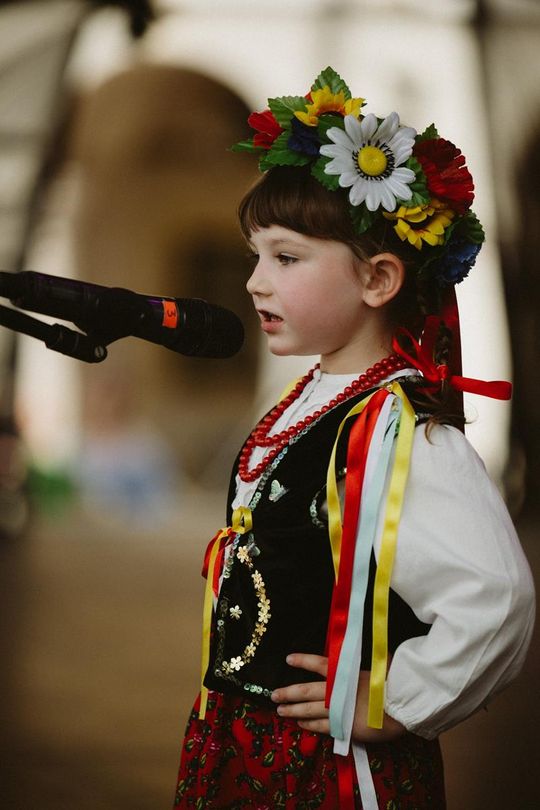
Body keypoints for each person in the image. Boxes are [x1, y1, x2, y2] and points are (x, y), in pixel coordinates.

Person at [173, 67, 535, 809]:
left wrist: (400, 699)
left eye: (286, 257)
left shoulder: (404, 435)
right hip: (242, 738)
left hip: (331, 766)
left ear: (377, 280)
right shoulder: (312, 400)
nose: (255, 281)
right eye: (255, 255)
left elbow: (495, 597)